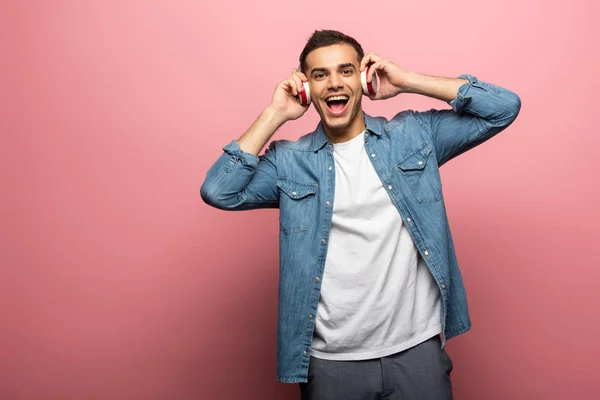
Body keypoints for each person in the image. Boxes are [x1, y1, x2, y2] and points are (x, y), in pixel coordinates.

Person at [200, 29, 521, 400]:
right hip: (331, 364)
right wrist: (275, 114)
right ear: (305, 87)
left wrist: (406, 81)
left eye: (346, 71)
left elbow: (503, 108)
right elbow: (219, 190)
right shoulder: (289, 162)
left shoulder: (414, 135)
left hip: (417, 352)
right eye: (320, 75)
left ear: (365, 77)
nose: (334, 83)